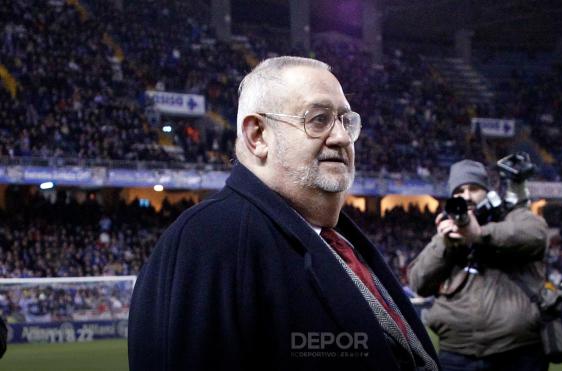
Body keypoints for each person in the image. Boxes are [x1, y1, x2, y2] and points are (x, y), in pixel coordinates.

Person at [128, 56, 438, 371]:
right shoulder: (205, 242)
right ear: (258, 135)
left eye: (346, 120)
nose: (342, 136)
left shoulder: (337, 238)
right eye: (319, 119)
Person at [407, 159, 549, 371]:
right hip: (457, 353)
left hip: (517, 352)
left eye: (474, 189)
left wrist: (480, 234)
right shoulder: (448, 231)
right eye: (460, 191)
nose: (466, 196)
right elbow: (418, 282)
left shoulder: (510, 216)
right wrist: (444, 245)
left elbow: (536, 236)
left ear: (488, 192)